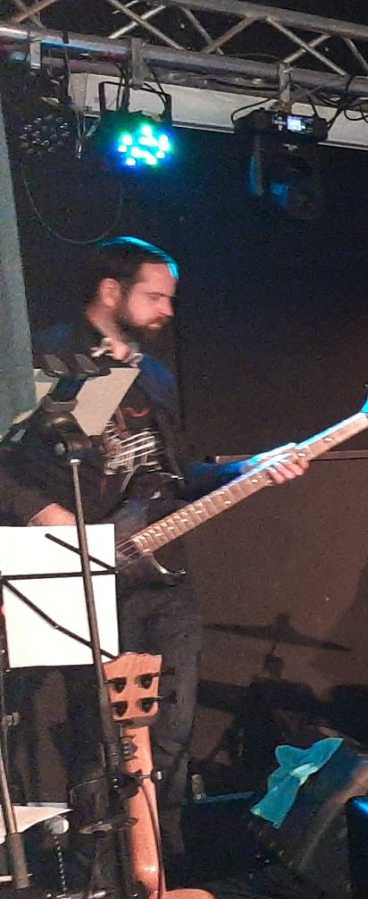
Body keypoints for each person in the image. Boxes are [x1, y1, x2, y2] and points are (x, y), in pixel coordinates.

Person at [0, 236, 308, 858]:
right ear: (110, 291)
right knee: (101, 733)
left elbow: (177, 475)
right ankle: (104, 873)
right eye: (156, 296)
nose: (168, 309)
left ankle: (157, 865)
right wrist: (48, 513)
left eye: (171, 297)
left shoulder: (155, 375)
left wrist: (250, 467)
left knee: (171, 727)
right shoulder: (45, 359)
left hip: (164, 576)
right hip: (86, 573)